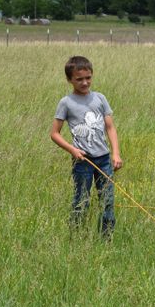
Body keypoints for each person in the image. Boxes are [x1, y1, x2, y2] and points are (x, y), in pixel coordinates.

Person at [50, 56, 123, 239]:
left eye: (88, 78)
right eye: (79, 79)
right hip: (82, 161)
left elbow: (110, 127)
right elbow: (55, 133)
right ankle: (76, 238)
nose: (85, 82)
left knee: (107, 201)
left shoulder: (100, 98)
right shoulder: (66, 103)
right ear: (70, 79)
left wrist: (116, 153)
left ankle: (107, 239)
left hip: (104, 160)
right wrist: (72, 150)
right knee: (81, 201)